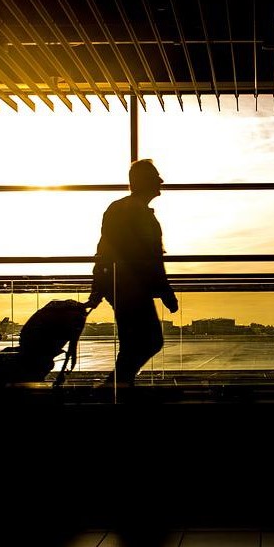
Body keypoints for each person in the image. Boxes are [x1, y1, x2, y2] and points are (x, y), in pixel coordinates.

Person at [87, 159, 178, 388]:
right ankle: (116, 386)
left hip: (121, 285)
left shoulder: (120, 209)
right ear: (144, 181)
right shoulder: (136, 212)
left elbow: (104, 250)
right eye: (156, 176)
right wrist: (166, 292)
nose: (161, 180)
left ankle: (118, 386)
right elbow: (151, 258)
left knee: (135, 342)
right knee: (149, 340)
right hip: (131, 288)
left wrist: (98, 286)